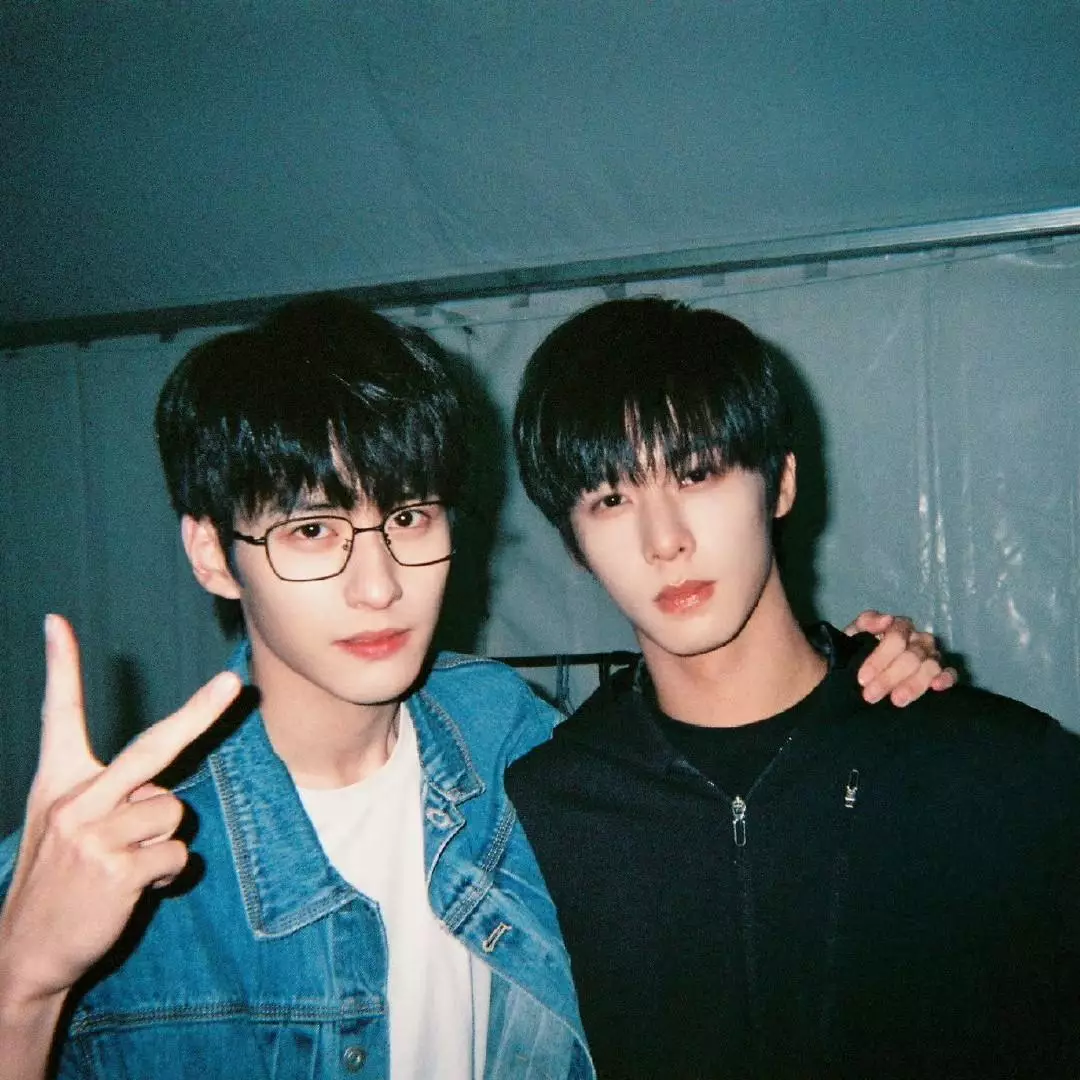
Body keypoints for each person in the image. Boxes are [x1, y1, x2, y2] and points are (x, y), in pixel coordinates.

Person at [0, 295, 950, 1079]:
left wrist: (862, 670)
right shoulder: (104, 866)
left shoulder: (505, 738)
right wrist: (24, 988)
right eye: (313, 531)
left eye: (409, 517)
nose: (379, 585)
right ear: (213, 553)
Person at [507, 296, 1080, 1079]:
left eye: (697, 473)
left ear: (779, 484)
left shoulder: (997, 767)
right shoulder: (546, 813)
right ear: (574, 544)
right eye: (611, 499)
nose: (664, 540)